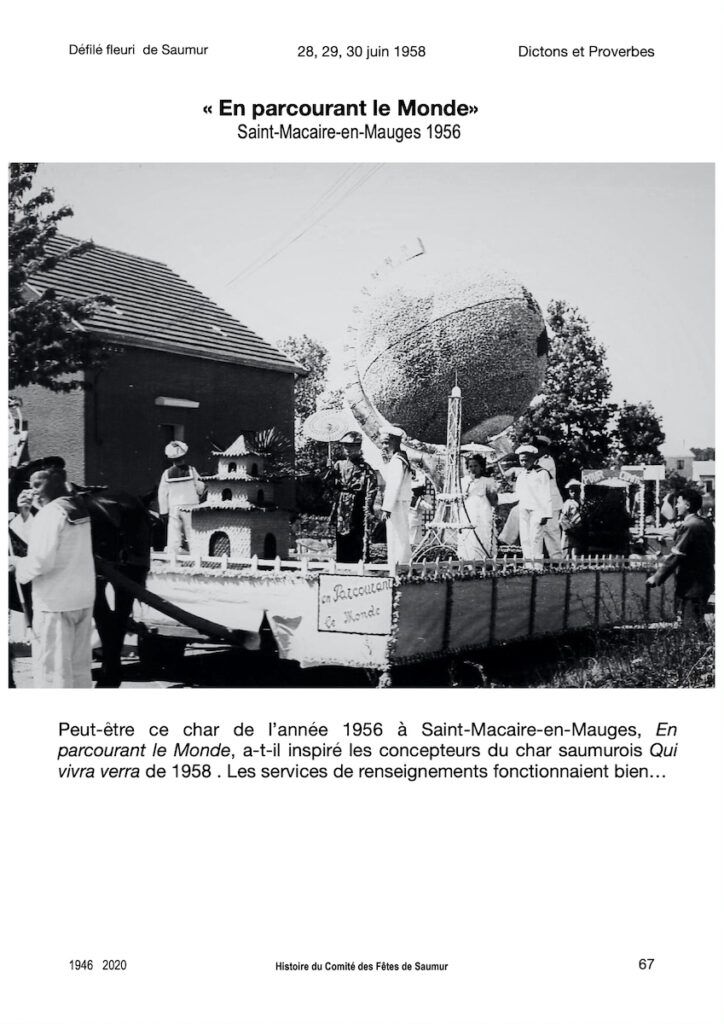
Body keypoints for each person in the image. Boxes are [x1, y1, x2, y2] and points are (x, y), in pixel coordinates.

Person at [12, 459, 96, 688]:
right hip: (81, 601)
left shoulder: (49, 514)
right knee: (79, 671)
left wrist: (17, 565)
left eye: (37, 485)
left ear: (56, 483)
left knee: (52, 674)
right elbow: (49, 543)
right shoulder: (75, 507)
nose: (32, 492)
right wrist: (27, 515)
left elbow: (41, 561)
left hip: (54, 605)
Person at [646, 487, 714, 626]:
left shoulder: (690, 525)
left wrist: (656, 578)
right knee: (697, 623)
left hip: (692, 585)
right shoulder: (705, 523)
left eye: (679, 502)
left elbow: (677, 556)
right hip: (704, 582)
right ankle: (704, 647)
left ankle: (698, 647)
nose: (676, 506)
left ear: (687, 505)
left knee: (690, 625)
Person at [327, 431, 378, 563]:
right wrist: (329, 471)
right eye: (345, 446)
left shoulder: (366, 468)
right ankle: (342, 563)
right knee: (341, 534)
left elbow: (372, 488)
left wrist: (369, 507)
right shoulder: (339, 465)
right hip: (342, 504)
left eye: (352, 446)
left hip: (357, 503)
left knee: (357, 533)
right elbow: (329, 485)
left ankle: (357, 563)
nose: (348, 450)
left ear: (359, 448)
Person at [157, 441, 206, 553]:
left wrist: (163, 511)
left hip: (174, 506)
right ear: (184, 456)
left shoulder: (166, 473)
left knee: (174, 532)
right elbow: (200, 486)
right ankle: (196, 554)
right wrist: (201, 491)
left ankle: (173, 556)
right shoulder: (191, 470)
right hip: (191, 505)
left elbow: (162, 493)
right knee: (192, 531)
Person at [514, 444, 552, 567]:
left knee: (535, 538)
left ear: (533, 459)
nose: (524, 463)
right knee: (525, 538)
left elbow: (546, 494)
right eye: (521, 460)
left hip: (537, 510)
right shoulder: (521, 475)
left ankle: (537, 567)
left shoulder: (542, 473)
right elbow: (518, 494)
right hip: (524, 509)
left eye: (526, 460)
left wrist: (546, 514)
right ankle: (528, 566)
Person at [380, 427, 413, 570]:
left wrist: (387, 507)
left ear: (395, 441)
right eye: (382, 443)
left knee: (398, 536)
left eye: (386, 443)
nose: (384, 446)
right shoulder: (399, 458)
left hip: (396, 503)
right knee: (399, 535)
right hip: (399, 502)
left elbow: (393, 485)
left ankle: (399, 567)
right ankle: (398, 565)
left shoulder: (397, 460)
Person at [458, 453, 499, 560]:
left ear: (481, 467)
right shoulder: (463, 481)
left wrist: (492, 493)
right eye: (470, 466)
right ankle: (468, 558)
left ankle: (484, 558)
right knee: (468, 533)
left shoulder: (487, 481)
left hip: (483, 510)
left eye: (476, 466)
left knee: (483, 531)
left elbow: (493, 500)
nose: (473, 469)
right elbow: (460, 498)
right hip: (468, 509)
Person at [534, 435, 564, 561]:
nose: (536, 451)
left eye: (538, 448)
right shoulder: (536, 462)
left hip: (552, 502)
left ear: (544, 449)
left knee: (551, 531)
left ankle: (557, 560)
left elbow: (541, 473)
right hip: (541, 503)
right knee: (539, 531)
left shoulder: (547, 461)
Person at [559, 479, 583, 559]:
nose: (574, 493)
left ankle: (575, 564)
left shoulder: (581, 502)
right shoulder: (568, 503)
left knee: (576, 548)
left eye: (576, 491)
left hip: (578, 529)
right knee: (565, 547)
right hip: (568, 529)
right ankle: (563, 565)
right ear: (569, 492)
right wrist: (569, 527)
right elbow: (562, 518)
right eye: (572, 491)